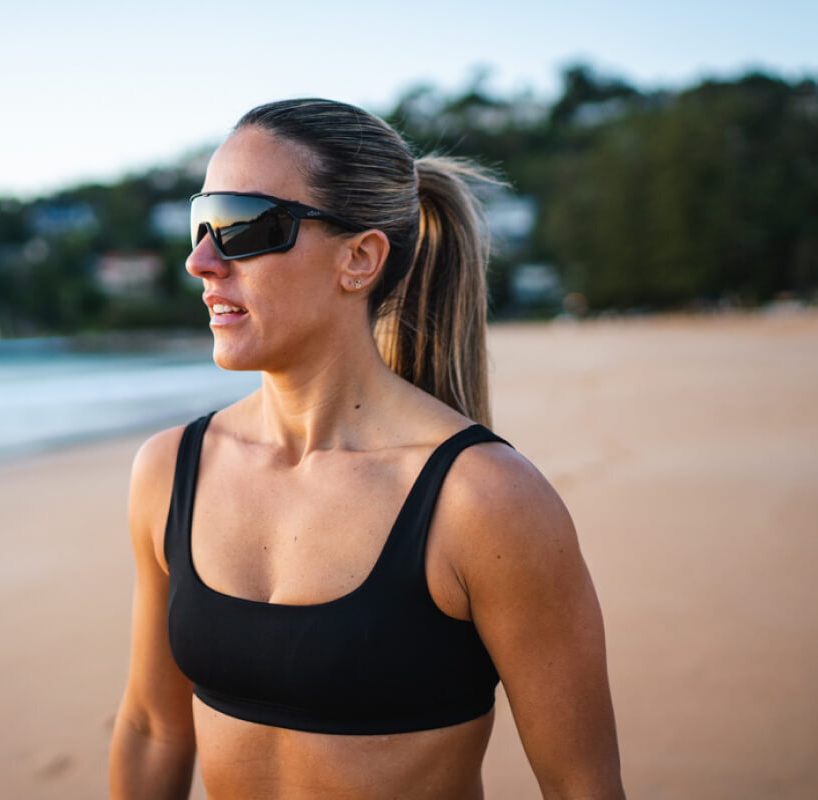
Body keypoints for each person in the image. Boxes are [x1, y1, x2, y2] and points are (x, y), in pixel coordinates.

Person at [109, 98, 624, 800]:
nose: (202, 260)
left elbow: (581, 787)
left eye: (240, 226)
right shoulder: (171, 471)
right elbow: (151, 728)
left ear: (359, 258)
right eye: (202, 222)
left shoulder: (484, 501)